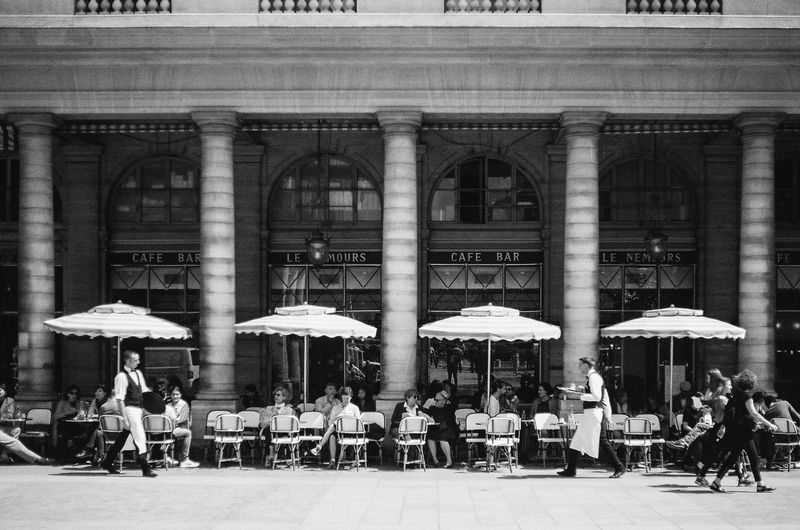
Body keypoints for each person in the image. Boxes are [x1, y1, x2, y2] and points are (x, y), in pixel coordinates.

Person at [699, 369, 777, 493]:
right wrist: (771, 425)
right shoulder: (747, 397)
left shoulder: (735, 396)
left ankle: (717, 482)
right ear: (751, 383)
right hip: (744, 433)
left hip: (735, 431)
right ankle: (759, 484)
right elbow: (754, 414)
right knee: (753, 457)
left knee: (734, 458)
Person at [558, 357, 625, 479]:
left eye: (580, 365)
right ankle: (571, 469)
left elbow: (597, 397)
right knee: (577, 440)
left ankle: (619, 467)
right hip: (591, 413)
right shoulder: (593, 378)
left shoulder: (594, 377)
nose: (579, 367)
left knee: (603, 441)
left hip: (594, 414)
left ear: (586, 365)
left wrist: (581, 396)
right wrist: (582, 390)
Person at [100, 350, 157, 477]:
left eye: (138, 360)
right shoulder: (121, 377)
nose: (138, 362)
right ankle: (145, 467)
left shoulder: (138, 373)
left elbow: (144, 390)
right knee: (139, 436)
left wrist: (154, 399)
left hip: (138, 409)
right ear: (127, 361)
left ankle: (108, 461)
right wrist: (124, 418)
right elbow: (119, 399)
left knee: (122, 438)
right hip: (129, 409)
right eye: (136, 360)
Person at [310, 386, 360, 468]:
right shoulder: (336, 408)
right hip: (339, 431)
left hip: (352, 432)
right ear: (341, 398)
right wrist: (338, 419)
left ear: (350, 397)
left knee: (333, 426)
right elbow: (330, 422)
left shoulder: (354, 408)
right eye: (344, 399)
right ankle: (332, 460)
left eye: (347, 399)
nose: (346, 401)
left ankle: (319, 446)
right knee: (332, 435)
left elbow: (358, 422)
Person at [258, 385, 296, 466]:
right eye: (275, 395)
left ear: (284, 397)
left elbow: (291, 424)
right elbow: (262, 423)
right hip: (270, 430)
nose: (276, 396)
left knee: (272, 432)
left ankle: (270, 455)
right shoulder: (268, 408)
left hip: (283, 431)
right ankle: (270, 453)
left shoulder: (290, 410)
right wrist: (272, 420)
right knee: (269, 430)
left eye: (278, 395)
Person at [164, 386, 199, 468]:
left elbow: (181, 419)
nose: (175, 396)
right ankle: (172, 458)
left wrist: (171, 420)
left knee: (187, 433)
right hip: (168, 429)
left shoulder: (184, 405)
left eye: (177, 394)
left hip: (178, 428)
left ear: (180, 395)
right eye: (173, 394)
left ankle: (184, 459)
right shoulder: (168, 405)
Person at [74, 384, 109, 462]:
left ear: (105, 393)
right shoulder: (95, 401)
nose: (97, 393)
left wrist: (96, 416)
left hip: (108, 426)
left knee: (96, 431)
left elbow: (106, 416)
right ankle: (99, 457)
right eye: (96, 391)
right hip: (99, 426)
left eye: (100, 391)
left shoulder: (108, 402)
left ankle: (89, 448)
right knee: (97, 432)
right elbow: (90, 414)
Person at [426, 391, 458, 468]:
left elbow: (455, 404)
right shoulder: (432, 408)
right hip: (436, 429)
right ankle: (435, 460)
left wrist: (447, 396)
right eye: (435, 399)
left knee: (443, 438)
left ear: (444, 401)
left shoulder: (449, 408)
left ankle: (449, 461)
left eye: (437, 400)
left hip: (448, 429)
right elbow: (429, 416)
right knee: (430, 438)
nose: (435, 402)